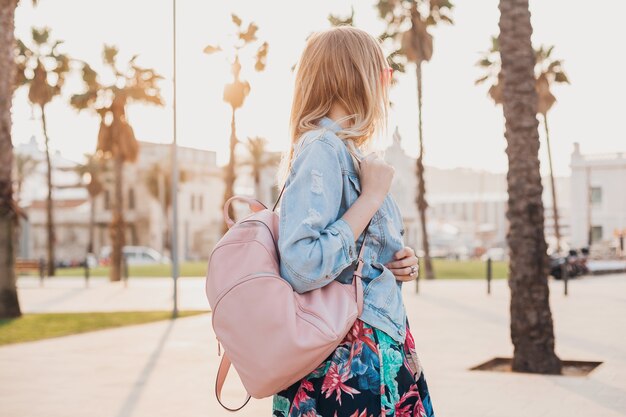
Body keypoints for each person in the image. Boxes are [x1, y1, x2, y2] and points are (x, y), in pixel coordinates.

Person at [271, 26, 435, 417]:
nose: (387, 81)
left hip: (374, 344)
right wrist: (372, 197)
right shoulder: (322, 149)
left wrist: (396, 264)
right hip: (346, 359)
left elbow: (355, 255)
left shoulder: (347, 152)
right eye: (383, 70)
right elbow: (302, 265)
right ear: (357, 75)